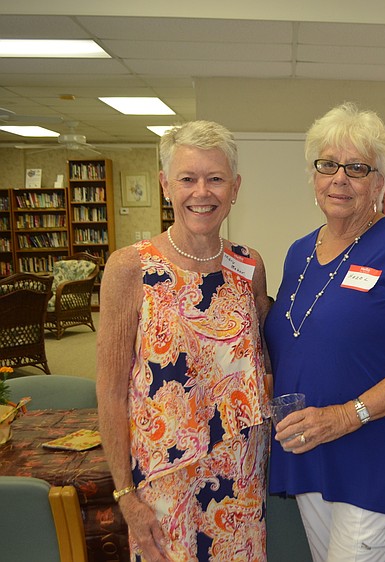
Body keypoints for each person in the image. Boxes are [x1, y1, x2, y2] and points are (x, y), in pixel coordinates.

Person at [264, 102, 385, 562]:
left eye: (357, 168)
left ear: (380, 183)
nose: (339, 179)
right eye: (328, 164)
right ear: (314, 175)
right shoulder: (298, 252)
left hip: (380, 450)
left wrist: (347, 416)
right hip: (313, 447)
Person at [97, 120, 271, 562]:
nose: (202, 192)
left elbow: (261, 364)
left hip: (240, 480)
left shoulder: (248, 266)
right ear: (165, 185)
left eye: (215, 179)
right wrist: (125, 495)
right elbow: (112, 391)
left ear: (235, 187)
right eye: (187, 178)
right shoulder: (129, 268)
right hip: (162, 482)